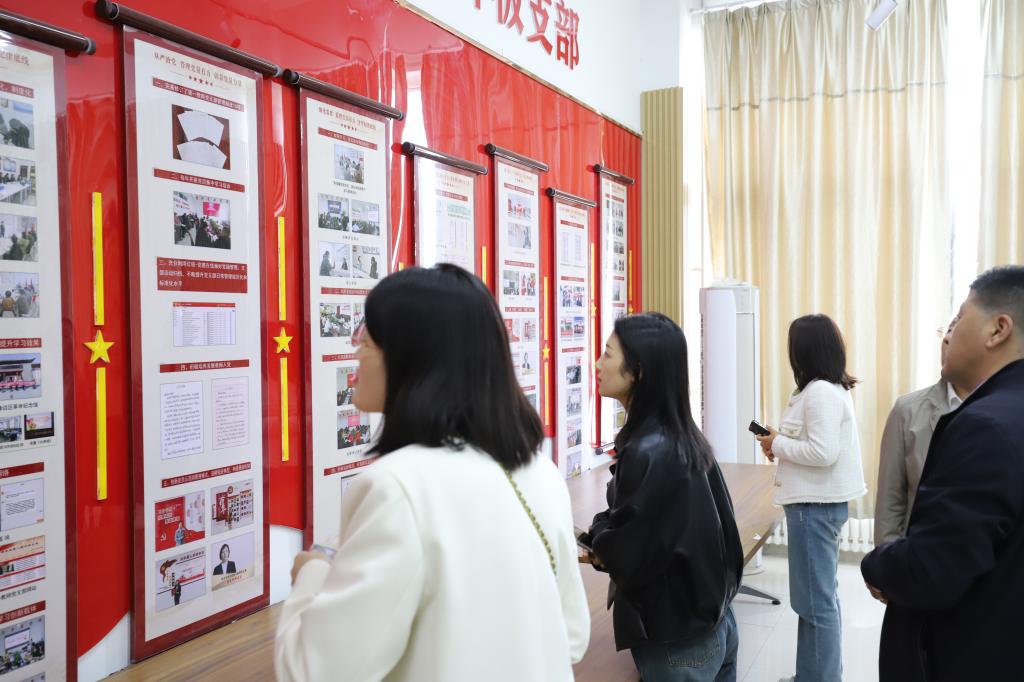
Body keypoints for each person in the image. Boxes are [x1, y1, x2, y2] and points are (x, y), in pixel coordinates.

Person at [275, 265, 589, 682]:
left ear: (410, 357)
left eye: (366, 339)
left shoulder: (396, 486)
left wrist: (312, 572)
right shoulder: (540, 471)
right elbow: (572, 636)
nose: (356, 352)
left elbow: (311, 671)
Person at [861, 266, 1024, 682]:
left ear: (998, 330)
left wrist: (879, 567)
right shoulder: (916, 407)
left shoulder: (985, 425)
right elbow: (892, 495)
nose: (948, 334)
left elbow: (933, 569)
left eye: (960, 317)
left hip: (969, 648)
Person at [582, 313, 743, 682]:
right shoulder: (680, 434)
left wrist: (598, 536)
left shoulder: (648, 449)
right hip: (714, 622)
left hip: (677, 642)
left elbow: (629, 553)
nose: (597, 364)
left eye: (608, 354)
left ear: (638, 371)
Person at [755, 314, 866, 682]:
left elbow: (823, 453)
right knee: (815, 603)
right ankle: (814, 675)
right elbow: (813, 444)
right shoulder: (824, 389)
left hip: (813, 509)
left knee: (815, 606)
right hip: (814, 507)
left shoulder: (820, 392)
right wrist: (780, 442)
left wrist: (778, 444)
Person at [873, 317, 967, 544]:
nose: (947, 339)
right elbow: (890, 502)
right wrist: (888, 557)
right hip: (922, 553)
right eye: (947, 330)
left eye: (958, 331)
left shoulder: (1007, 411)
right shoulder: (908, 410)